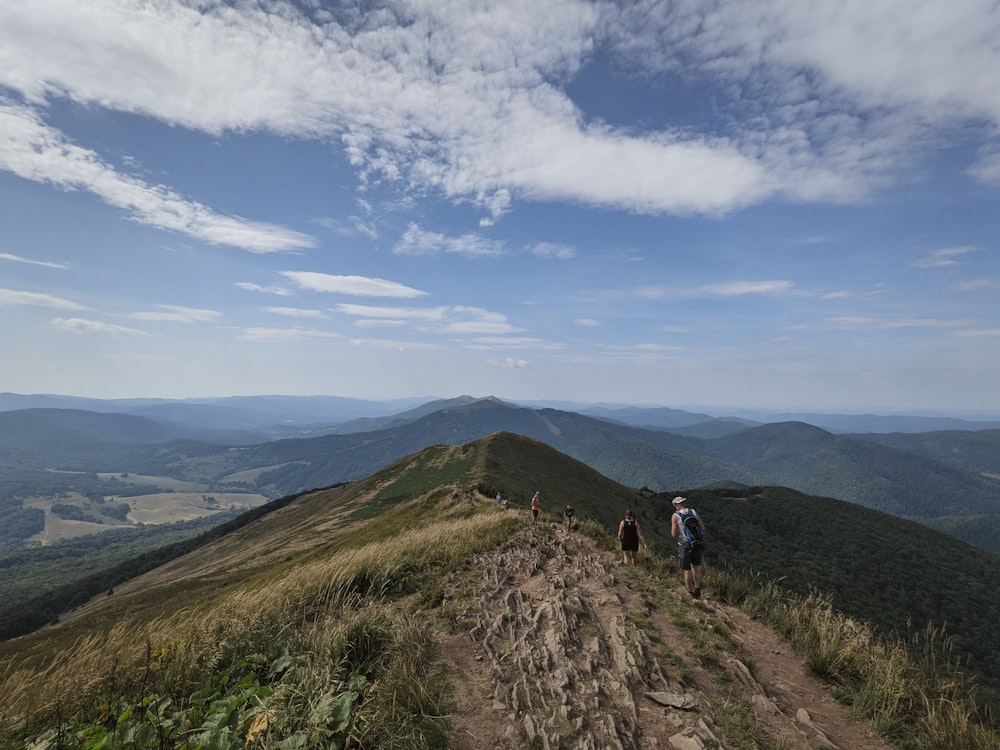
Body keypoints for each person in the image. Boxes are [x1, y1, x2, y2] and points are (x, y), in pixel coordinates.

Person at [670, 496, 706, 598]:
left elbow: (674, 534)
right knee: (696, 566)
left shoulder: (675, 516)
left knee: (687, 569)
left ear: (676, 505)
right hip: (697, 543)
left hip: (685, 544)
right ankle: (698, 589)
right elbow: (702, 527)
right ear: (684, 503)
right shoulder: (693, 512)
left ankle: (690, 590)